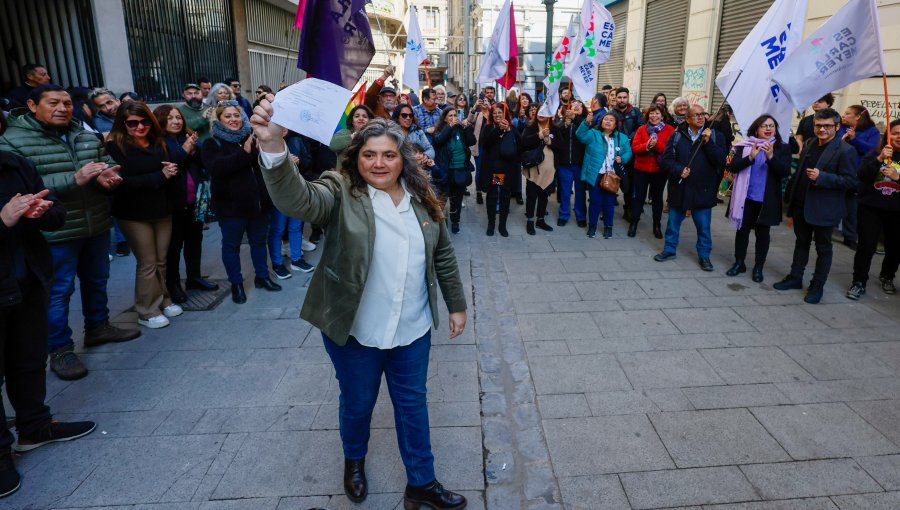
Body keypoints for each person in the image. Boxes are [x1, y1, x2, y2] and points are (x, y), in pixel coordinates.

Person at [252, 96, 469, 509]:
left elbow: (442, 252)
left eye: (389, 154)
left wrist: (455, 304)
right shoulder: (340, 190)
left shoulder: (423, 197)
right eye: (369, 155)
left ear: (403, 158)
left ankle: (421, 483)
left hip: (412, 329)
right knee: (357, 404)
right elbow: (298, 201)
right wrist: (273, 148)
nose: (379, 163)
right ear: (356, 158)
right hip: (354, 331)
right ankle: (354, 461)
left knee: (413, 407)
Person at [0, 85, 140, 380]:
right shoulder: (12, 141)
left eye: (66, 102)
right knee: (58, 291)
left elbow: (108, 162)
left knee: (97, 279)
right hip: (55, 231)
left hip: (97, 222)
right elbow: (20, 187)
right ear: (31, 105)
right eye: (53, 103)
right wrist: (74, 179)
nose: (63, 108)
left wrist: (109, 175)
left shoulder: (83, 132)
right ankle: (60, 348)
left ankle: (98, 327)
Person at [0, 142, 96, 499]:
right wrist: (3, 219)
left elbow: (56, 215)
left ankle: (34, 427)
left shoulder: (15, 164)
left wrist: (42, 211)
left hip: (27, 280)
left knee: (28, 362)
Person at [105, 102, 182, 329]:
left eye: (144, 121)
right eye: (133, 123)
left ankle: (164, 299)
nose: (140, 127)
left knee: (161, 260)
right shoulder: (114, 146)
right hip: (133, 213)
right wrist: (161, 176)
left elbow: (170, 174)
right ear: (123, 123)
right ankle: (146, 310)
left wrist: (171, 173)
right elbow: (121, 184)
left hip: (161, 209)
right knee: (147, 262)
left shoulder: (158, 142)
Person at [773, 108, 858, 304]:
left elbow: (851, 182)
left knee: (823, 248)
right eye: (818, 125)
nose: (822, 129)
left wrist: (824, 178)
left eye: (827, 126)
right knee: (801, 243)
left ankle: (817, 285)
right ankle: (795, 277)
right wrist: (790, 197)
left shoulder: (846, 150)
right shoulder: (810, 142)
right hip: (802, 204)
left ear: (837, 127)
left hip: (824, 208)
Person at [202, 100, 281, 303]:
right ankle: (236, 283)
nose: (233, 120)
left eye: (236, 115)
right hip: (231, 209)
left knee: (258, 243)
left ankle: (262, 277)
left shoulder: (252, 137)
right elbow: (216, 169)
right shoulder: (213, 143)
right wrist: (244, 153)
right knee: (231, 246)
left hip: (258, 204)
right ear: (219, 120)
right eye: (227, 116)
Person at [152, 104, 219, 303]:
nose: (176, 121)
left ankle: (194, 277)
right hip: (174, 204)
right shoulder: (158, 143)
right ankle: (173, 284)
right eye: (170, 118)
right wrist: (186, 149)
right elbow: (173, 163)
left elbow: (201, 163)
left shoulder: (187, 137)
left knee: (194, 241)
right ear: (161, 121)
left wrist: (196, 148)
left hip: (194, 200)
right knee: (174, 247)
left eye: (178, 117)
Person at [654, 104, 727, 271]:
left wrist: (708, 143)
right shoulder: (678, 135)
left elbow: (721, 160)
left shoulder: (715, 136)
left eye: (703, 114)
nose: (701, 117)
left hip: (703, 189)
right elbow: (666, 160)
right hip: (680, 188)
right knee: (673, 223)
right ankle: (669, 249)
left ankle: (704, 256)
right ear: (687, 119)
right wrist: (679, 170)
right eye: (696, 115)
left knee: (703, 227)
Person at [723, 114, 791, 282]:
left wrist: (771, 157)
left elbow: (784, 172)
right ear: (756, 129)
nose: (768, 129)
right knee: (742, 231)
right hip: (745, 198)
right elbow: (732, 167)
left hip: (766, 199)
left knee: (763, 234)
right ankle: (739, 263)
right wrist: (750, 157)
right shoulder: (744, 146)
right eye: (764, 126)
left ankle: (758, 267)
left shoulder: (782, 147)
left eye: (771, 126)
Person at [846, 119, 900, 300]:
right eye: (895, 133)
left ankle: (887, 275)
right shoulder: (876, 153)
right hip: (871, 208)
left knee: (894, 248)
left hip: (896, 211)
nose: (898, 137)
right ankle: (859, 281)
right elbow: (861, 175)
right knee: (866, 246)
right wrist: (879, 159)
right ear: (888, 135)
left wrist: (897, 176)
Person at [577, 111, 633, 238]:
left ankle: (608, 227)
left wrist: (622, 158)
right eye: (605, 119)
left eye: (611, 120)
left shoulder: (621, 137)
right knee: (595, 201)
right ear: (601, 122)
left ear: (616, 124)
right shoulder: (593, 134)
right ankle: (592, 226)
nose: (607, 121)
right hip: (596, 173)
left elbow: (629, 152)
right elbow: (580, 135)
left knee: (609, 202)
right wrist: (586, 123)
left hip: (612, 175)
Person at [270, 128, 315, 279]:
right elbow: (265, 170)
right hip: (279, 194)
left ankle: (296, 259)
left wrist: (299, 162)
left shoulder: (296, 141)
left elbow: (308, 162)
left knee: (295, 227)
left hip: (297, 192)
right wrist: (286, 163)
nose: (282, 129)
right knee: (278, 229)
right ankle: (277, 263)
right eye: (278, 125)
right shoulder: (266, 145)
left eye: (285, 126)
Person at [837, 105, 881, 250]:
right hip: (839, 170)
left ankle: (849, 236)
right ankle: (823, 228)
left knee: (852, 207)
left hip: (857, 173)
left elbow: (872, 150)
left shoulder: (872, 131)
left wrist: (855, 140)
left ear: (858, 117)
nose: (844, 116)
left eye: (848, 114)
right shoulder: (840, 128)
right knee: (833, 201)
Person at [630, 105, 675, 239]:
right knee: (638, 198)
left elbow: (670, 150)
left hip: (659, 170)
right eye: (651, 113)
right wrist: (646, 146)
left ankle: (657, 225)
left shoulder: (669, 130)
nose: (654, 116)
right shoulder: (642, 129)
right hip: (641, 169)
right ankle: (634, 224)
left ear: (662, 115)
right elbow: (635, 148)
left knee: (657, 198)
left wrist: (656, 145)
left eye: (657, 113)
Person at [432, 107, 476, 234]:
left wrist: (467, 127)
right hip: (446, 171)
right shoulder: (440, 130)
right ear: (445, 118)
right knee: (442, 199)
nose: (453, 118)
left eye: (454, 115)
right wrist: (449, 127)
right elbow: (438, 140)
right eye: (450, 116)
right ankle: (438, 223)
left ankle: (455, 221)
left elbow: (472, 141)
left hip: (460, 170)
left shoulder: (460, 129)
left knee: (456, 200)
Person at [480, 103, 518, 237]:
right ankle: (491, 224)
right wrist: (498, 130)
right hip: (494, 171)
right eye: (494, 113)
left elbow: (519, 144)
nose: (497, 115)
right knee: (492, 196)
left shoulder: (511, 128)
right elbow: (485, 143)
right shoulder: (489, 127)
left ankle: (502, 225)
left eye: (500, 112)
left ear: (505, 114)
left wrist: (507, 130)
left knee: (505, 196)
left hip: (506, 170)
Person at [609, 87, 643, 222]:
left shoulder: (635, 112)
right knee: (614, 181)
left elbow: (641, 127)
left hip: (632, 153)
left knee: (630, 183)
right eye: (619, 97)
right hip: (616, 153)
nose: (622, 100)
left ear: (628, 98)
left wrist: (630, 137)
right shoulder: (612, 113)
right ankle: (607, 209)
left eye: (624, 97)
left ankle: (628, 209)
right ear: (615, 98)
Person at [520, 106, 555, 235]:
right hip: (534, 169)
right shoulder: (530, 127)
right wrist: (539, 135)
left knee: (544, 195)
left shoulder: (554, 127)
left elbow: (561, 146)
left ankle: (540, 219)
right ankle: (530, 221)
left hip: (548, 169)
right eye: (540, 112)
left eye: (545, 112)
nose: (541, 114)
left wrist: (550, 141)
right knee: (531, 196)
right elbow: (523, 142)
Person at [551, 101, 587, 227]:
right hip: (564, 163)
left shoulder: (585, 122)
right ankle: (564, 214)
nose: (576, 107)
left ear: (583, 109)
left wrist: (575, 118)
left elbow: (586, 129)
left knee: (580, 192)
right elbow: (556, 135)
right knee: (565, 192)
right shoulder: (564, 122)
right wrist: (565, 125)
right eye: (573, 106)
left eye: (579, 105)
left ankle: (581, 216)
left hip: (579, 164)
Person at [331, 105, 374, 171]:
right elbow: (333, 145)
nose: (361, 118)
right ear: (352, 121)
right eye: (357, 116)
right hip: (344, 175)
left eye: (364, 116)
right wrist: (352, 137)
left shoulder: (375, 135)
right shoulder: (345, 132)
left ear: (369, 120)